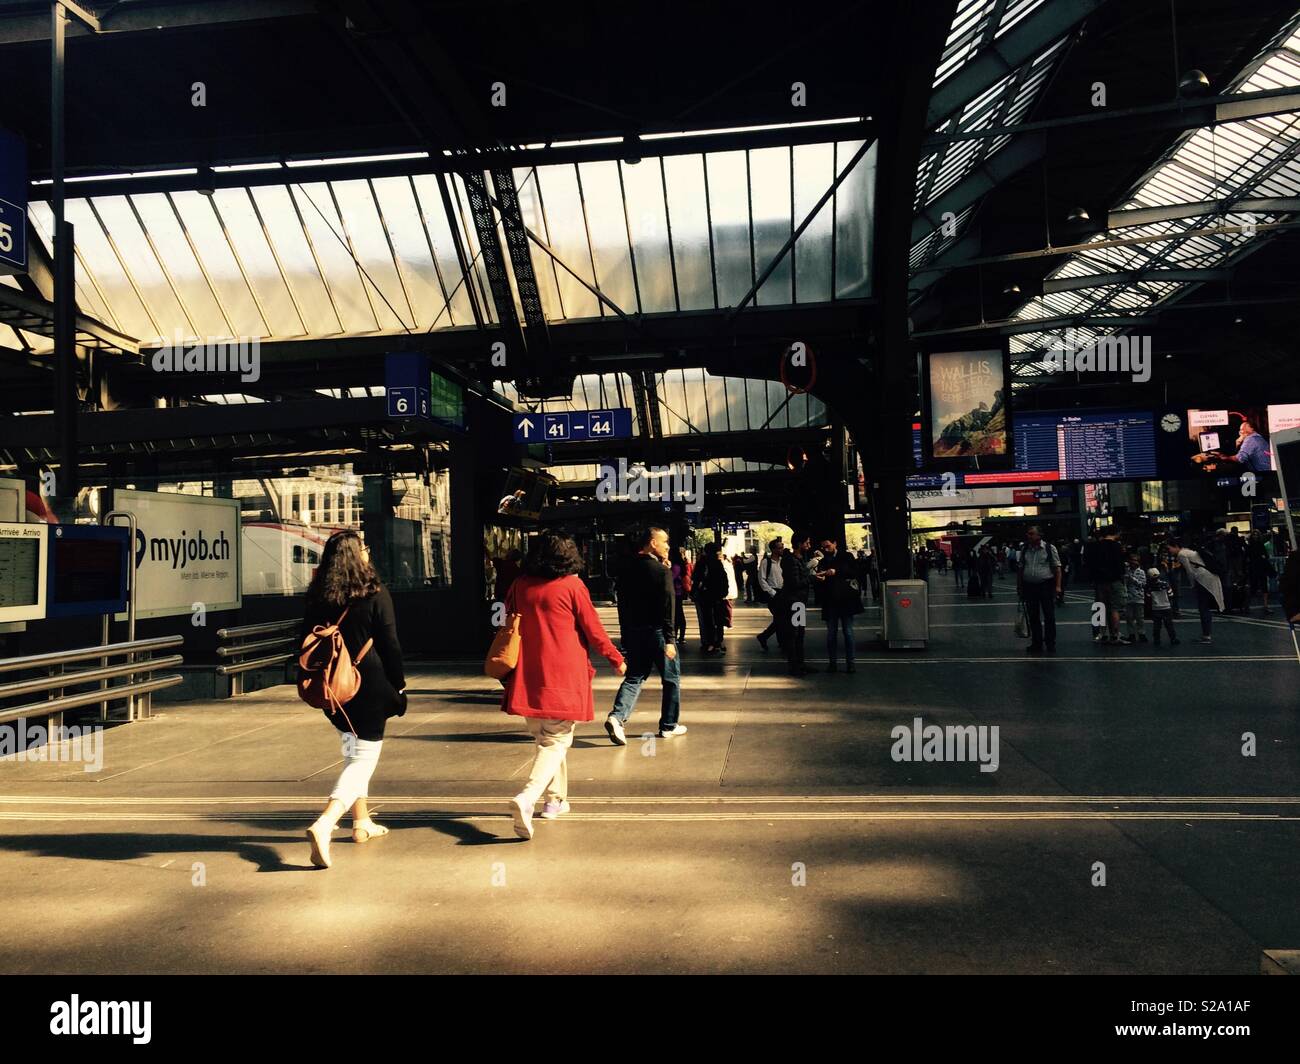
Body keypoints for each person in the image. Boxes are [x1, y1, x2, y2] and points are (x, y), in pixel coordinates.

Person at [503, 533, 626, 840]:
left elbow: (506, 620)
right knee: (556, 741)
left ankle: (555, 800)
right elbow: (593, 629)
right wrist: (615, 658)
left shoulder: (520, 585)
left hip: (528, 673)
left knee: (544, 740)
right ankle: (527, 798)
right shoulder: (572, 585)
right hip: (563, 674)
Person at [302, 531, 407, 870]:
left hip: (333, 689)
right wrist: (400, 687)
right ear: (357, 554)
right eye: (364, 547)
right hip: (370, 685)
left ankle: (361, 823)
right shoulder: (375, 594)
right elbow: (390, 645)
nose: (367, 551)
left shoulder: (318, 597)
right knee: (363, 760)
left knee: (353, 751)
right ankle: (325, 823)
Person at [607, 527, 684, 746]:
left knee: (635, 676)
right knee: (671, 679)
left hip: (634, 632)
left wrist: (625, 635)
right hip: (659, 633)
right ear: (652, 543)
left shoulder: (627, 568)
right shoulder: (661, 571)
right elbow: (668, 607)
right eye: (665, 542)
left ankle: (617, 717)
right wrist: (670, 640)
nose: (668, 546)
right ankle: (669, 725)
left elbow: (623, 605)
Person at [815, 537, 863, 672]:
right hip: (831, 601)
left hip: (845, 600)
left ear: (835, 544)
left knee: (847, 632)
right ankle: (833, 663)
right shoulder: (823, 561)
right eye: (824, 547)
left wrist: (836, 572)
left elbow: (855, 572)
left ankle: (850, 663)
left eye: (828, 546)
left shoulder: (847, 556)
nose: (826, 549)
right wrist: (821, 578)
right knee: (832, 634)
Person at [1166, 538, 1224, 644]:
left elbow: (1190, 571)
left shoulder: (1182, 555)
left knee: (1203, 607)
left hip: (1202, 579)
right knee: (1205, 607)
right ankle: (1206, 634)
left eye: (1169, 548)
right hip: (1210, 577)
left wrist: (1192, 585)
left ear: (1175, 546)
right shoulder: (1188, 552)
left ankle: (1206, 635)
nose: (1169, 551)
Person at [1016, 526, 1061, 654]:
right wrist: (1019, 586)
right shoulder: (1024, 549)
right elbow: (1020, 569)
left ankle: (1050, 643)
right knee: (1033, 616)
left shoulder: (1049, 548)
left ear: (1039, 535)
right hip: (1029, 586)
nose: (1028, 536)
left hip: (1045, 585)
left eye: (1031, 534)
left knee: (1049, 616)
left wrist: (1058, 586)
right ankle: (1036, 643)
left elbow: (1057, 568)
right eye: (1028, 534)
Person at [776, 531, 816, 676]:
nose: (809, 545)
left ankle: (799, 664)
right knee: (794, 634)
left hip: (799, 602)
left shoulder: (796, 559)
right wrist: (812, 578)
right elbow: (795, 583)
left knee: (799, 634)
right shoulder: (792, 560)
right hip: (795, 602)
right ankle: (795, 666)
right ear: (799, 544)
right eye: (807, 543)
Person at [1084, 527, 1125, 644]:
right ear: (1115, 533)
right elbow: (1120, 565)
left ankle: (1100, 634)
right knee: (1114, 608)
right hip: (1114, 580)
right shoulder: (1117, 546)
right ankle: (1115, 634)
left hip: (1099, 581)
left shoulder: (1094, 546)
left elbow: (1089, 563)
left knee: (1099, 606)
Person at [690, 542, 728, 654]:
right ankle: (718, 642)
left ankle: (709, 642)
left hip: (705, 595)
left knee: (707, 620)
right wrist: (723, 592)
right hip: (718, 596)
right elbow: (724, 579)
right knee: (718, 619)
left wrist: (693, 592)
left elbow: (696, 579)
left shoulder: (702, 563)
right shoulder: (718, 563)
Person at [756, 538, 786, 652]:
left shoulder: (783, 561)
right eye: (779, 548)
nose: (782, 549)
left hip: (783, 592)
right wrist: (771, 592)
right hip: (773, 593)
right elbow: (762, 579)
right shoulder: (766, 562)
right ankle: (767, 638)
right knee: (780, 618)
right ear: (773, 549)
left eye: (782, 547)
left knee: (780, 618)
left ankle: (766, 637)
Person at [1120, 553, 1147, 645]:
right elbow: (1124, 583)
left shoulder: (1141, 572)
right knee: (1129, 618)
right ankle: (1131, 634)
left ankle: (1141, 633)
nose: (1133, 563)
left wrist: (1132, 579)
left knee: (1140, 617)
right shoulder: (1126, 571)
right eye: (1132, 560)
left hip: (1138, 597)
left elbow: (1143, 584)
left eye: (1135, 561)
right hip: (1128, 597)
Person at [1147, 567, 1179, 646]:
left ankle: (1157, 640)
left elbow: (1148, 597)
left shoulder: (1149, 586)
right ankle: (1173, 639)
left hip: (1156, 608)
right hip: (1166, 607)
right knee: (1169, 625)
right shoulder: (1165, 584)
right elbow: (1171, 594)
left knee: (1157, 626)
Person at [669, 545, 691, 643]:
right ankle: (680, 636)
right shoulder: (679, 566)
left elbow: (670, 578)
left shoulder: (675, 567)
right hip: (678, 592)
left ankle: (679, 636)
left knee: (677, 614)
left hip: (676, 593)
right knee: (678, 614)